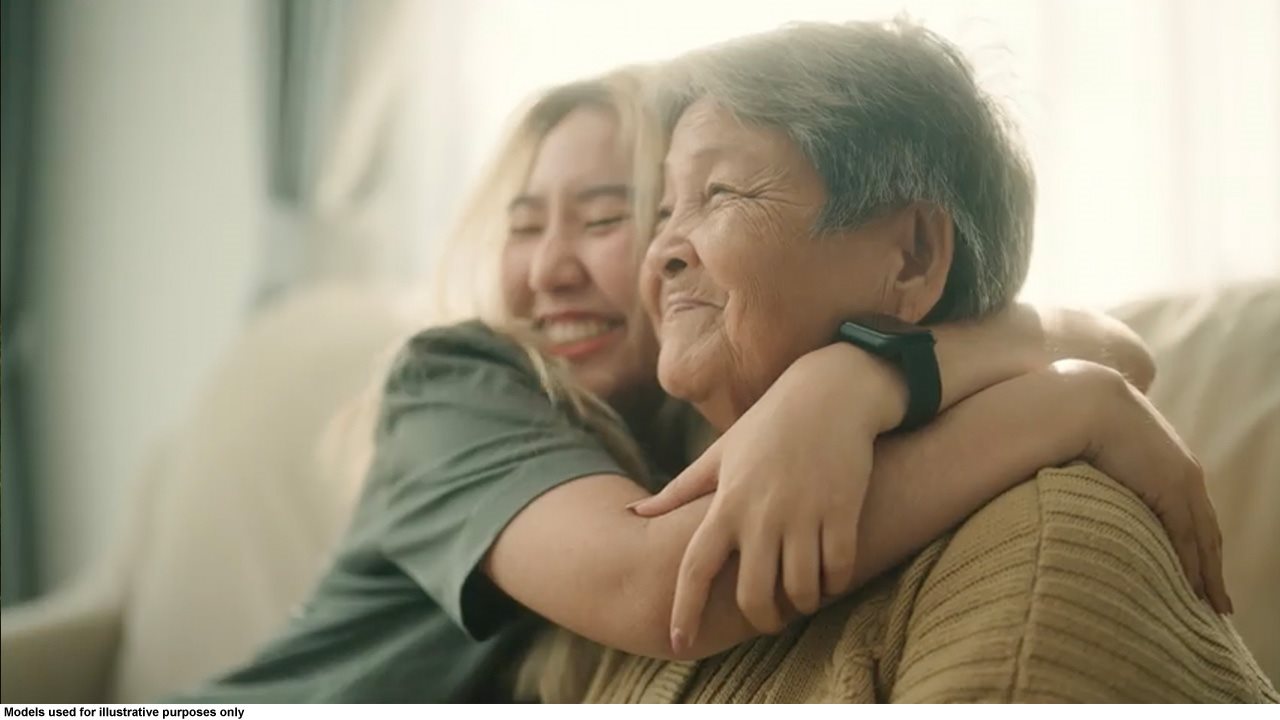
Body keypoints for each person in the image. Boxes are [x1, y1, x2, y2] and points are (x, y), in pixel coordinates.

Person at [179, 60, 1222, 703]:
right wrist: (1063, 404)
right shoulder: (461, 382)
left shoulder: (707, 408)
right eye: (524, 223)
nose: (548, 266)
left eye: (600, 217)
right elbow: (663, 586)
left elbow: (1105, 344)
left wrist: (852, 383)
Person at [517, 19, 1277, 702]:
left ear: (911, 257)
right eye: (661, 211)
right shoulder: (643, 462)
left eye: (718, 193)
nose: (663, 253)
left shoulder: (1040, 564)